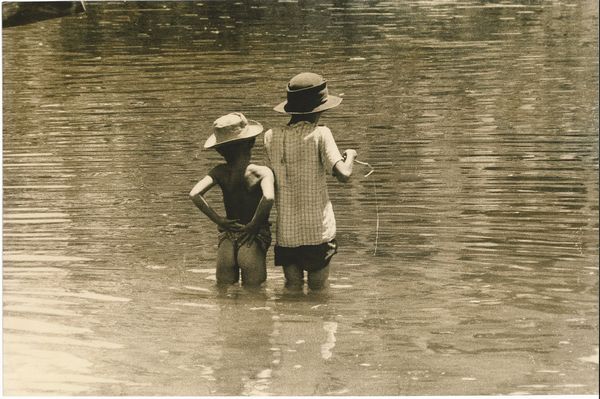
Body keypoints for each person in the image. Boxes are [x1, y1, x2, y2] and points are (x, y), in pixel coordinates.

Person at [264, 72, 357, 291]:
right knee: (319, 293)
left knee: (292, 292)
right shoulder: (321, 134)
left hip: (287, 234)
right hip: (318, 232)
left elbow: (267, 181)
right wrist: (350, 154)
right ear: (321, 108)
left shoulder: (270, 136)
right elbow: (344, 174)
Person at [190, 112, 275, 287]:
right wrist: (253, 225)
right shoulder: (262, 172)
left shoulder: (219, 172)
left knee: (223, 296)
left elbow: (195, 194)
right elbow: (268, 198)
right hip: (252, 239)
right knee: (255, 298)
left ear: (220, 150)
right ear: (251, 142)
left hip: (228, 239)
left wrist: (219, 220)